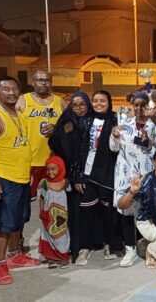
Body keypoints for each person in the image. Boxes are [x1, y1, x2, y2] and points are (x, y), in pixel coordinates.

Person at [0, 76, 40, 285]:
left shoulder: (18, 114)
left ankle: (15, 255)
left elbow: (20, 145)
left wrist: (27, 170)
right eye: (6, 89)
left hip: (21, 177)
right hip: (3, 179)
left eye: (15, 89)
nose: (11, 93)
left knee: (18, 220)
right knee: (3, 225)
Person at [111, 92, 156, 267]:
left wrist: (150, 141)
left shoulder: (155, 125)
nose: (139, 108)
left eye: (143, 105)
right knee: (126, 211)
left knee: (146, 211)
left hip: (147, 174)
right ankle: (129, 248)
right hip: (125, 174)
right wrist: (115, 136)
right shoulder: (124, 125)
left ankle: (146, 246)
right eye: (136, 105)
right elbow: (113, 148)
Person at [76, 90, 119, 265]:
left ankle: (109, 244)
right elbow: (78, 149)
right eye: (95, 101)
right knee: (86, 212)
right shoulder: (85, 120)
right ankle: (84, 247)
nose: (98, 104)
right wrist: (78, 176)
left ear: (109, 102)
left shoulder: (115, 120)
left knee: (107, 213)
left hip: (107, 173)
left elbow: (116, 148)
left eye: (102, 101)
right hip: (87, 173)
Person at [49, 92, 92, 264]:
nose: (79, 108)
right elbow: (56, 145)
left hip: (89, 175)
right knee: (71, 213)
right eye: (75, 105)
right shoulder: (67, 122)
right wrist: (65, 134)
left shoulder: (92, 121)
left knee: (87, 212)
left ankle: (88, 243)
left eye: (82, 104)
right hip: (71, 176)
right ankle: (71, 246)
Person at [16, 69, 67, 200]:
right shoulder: (22, 100)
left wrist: (57, 129)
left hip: (53, 161)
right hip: (29, 161)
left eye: (47, 80)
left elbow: (70, 126)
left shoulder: (60, 102)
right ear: (32, 82)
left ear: (51, 83)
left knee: (52, 202)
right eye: (39, 80)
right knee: (25, 202)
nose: (43, 83)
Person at [37, 156, 70, 268]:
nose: (50, 172)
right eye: (47, 169)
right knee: (49, 236)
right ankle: (52, 258)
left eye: (53, 169)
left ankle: (63, 257)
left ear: (60, 169)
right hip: (47, 215)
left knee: (61, 236)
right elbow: (41, 198)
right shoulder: (44, 183)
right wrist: (41, 212)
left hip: (61, 216)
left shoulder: (65, 182)